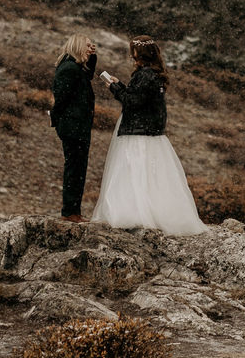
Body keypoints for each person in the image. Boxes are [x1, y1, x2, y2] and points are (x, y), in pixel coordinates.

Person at [91, 36, 207, 234]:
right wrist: (121, 86)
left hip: (138, 131)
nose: (131, 55)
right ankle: (155, 211)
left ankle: (133, 213)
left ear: (139, 53)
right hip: (151, 131)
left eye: (133, 51)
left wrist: (114, 88)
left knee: (133, 171)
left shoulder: (144, 75)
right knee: (153, 174)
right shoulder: (154, 75)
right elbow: (140, 99)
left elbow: (132, 102)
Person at [48, 34, 99, 222]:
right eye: (87, 46)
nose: (90, 48)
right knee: (75, 169)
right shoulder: (69, 68)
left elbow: (88, 75)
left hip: (77, 125)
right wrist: (57, 120)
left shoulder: (74, 67)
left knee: (78, 169)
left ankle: (73, 211)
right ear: (77, 46)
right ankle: (70, 212)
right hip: (73, 126)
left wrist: (92, 57)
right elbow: (61, 98)